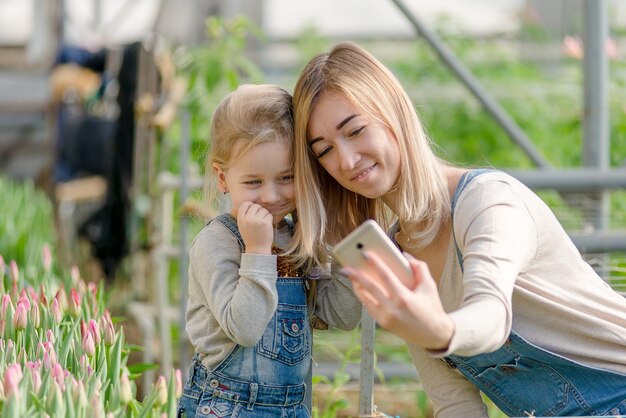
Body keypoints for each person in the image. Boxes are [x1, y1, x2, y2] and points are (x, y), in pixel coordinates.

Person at [291, 41, 626, 417]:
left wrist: (440, 331)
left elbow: (492, 315)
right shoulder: (396, 257)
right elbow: (454, 403)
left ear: (393, 114)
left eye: (354, 131)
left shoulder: (487, 201)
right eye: (324, 151)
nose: (346, 160)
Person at [178, 84, 362, 417]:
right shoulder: (217, 242)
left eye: (287, 177)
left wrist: (343, 245)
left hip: (292, 408)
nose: (271, 195)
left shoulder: (296, 237)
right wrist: (259, 251)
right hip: (226, 407)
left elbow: (343, 316)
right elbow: (245, 329)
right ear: (222, 178)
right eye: (253, 182)